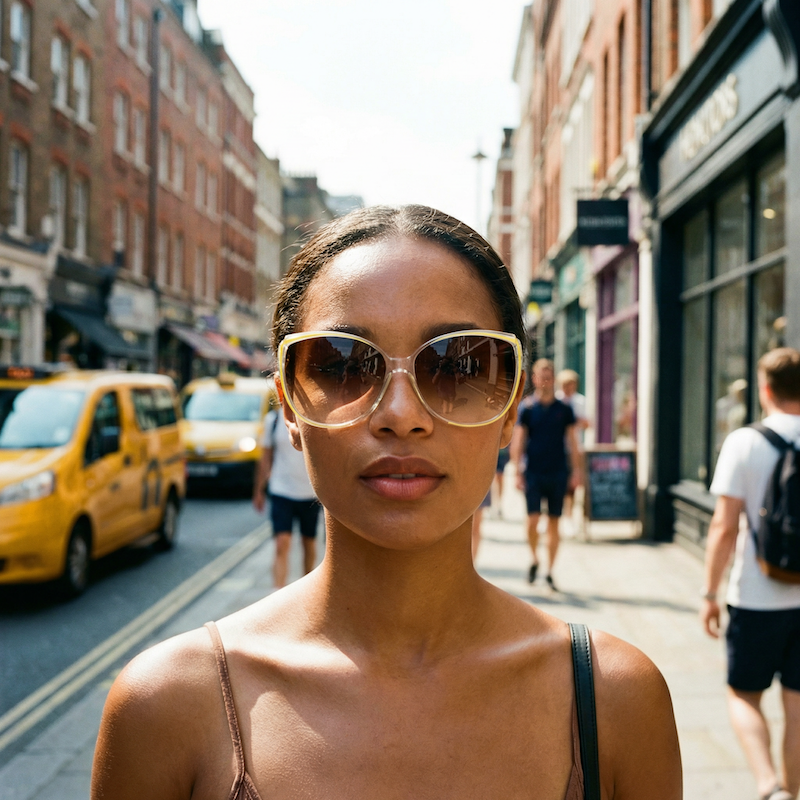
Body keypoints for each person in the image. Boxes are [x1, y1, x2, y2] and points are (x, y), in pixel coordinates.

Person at [91, 205, 681, 799]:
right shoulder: (166, 707)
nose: (401, 415)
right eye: (344, 366)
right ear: (290, 407)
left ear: (511, 406)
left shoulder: (617, 701)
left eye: (458, 365)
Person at [701, 348, 800, 800]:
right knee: (798, 706)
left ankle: (768, 785)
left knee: (744, 695)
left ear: (765, 390)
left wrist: (708, 593)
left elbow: (724, 527)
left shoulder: (746, 441)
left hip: (756, 595)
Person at [512, 359, 582, 591]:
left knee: (554, 522)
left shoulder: (564, 410)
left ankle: (550, 571)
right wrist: (516, 472)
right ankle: (534, 558)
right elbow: (519, 440)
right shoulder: (527, 408)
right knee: (533, 520)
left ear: (553, 379)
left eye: (549, 376)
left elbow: (572, 442)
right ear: (534, 379)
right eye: (541, 376)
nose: (545, 380)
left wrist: (577, 471)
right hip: (533, 471)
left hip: (558, 471)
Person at [252, 406, 321, 589]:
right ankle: (279, 593)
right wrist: (258, 490)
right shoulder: (273, 420)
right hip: (281, 490)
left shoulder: (314, 417)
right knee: (281, 543)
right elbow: (266, 457)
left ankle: (308, 590)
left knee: (308, 542)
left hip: (309, 493)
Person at [556, 369, 590, 518]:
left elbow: (588, 423)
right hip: (556, 447)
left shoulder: (580, 401)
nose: (568, 388)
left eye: (571, 384)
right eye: (565, 384)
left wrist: (572, 421)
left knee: (573, 483)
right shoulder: (556, 400)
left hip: (573, 447)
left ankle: (569, 515)